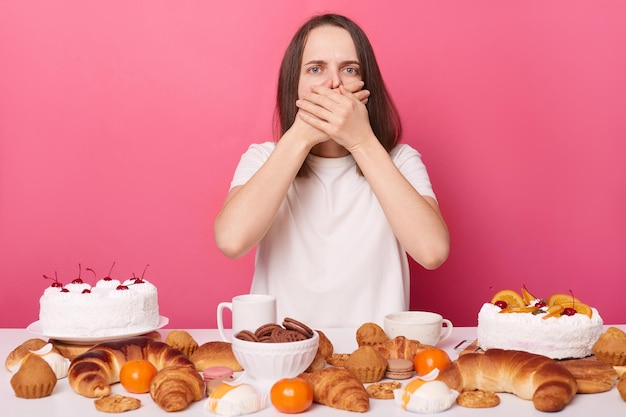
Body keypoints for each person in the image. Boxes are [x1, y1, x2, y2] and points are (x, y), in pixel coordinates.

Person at [214, 14, 449, 328]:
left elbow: (432, 251)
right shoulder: (263, 158)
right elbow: (231, 240)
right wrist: (302, 134)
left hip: (376, 363)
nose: (334, 84)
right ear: (293, 85)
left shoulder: (400, 160)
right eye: (315, 69)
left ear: (368, 85)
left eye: (349, 69)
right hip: (282, 359)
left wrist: (361, 140)